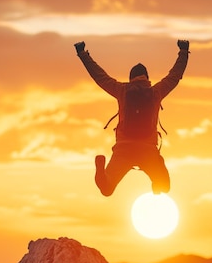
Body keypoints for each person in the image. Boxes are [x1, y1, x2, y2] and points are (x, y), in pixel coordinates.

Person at [75, 40, 190, 196]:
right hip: (148, 151)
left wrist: (83, 54)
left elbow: (100, 77)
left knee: (107, 188)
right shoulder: (156, 92)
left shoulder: (122, 90)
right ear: (147, 78)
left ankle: (101, 170)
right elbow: (174, 77)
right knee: (165, 186)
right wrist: (183, 52)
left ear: (131, 78)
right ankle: (157, 181)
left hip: (124, 149)